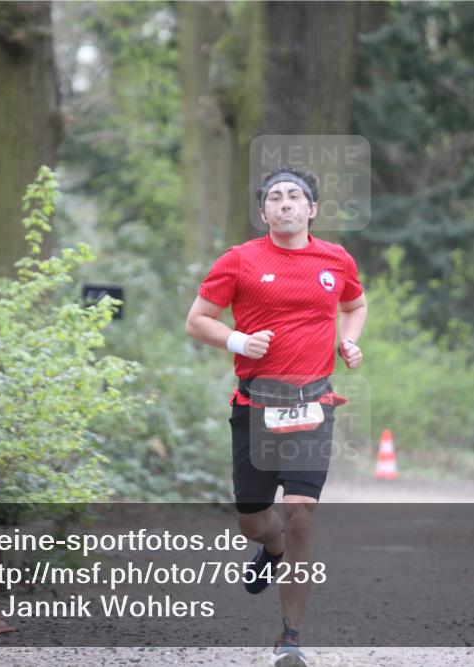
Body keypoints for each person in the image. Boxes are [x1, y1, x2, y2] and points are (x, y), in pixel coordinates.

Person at [185, 164, 367, 667]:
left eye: (295, 196)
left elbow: (355, 305)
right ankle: (272, 548)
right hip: (255, 405)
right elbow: (197, 321)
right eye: (275, 198)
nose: (285, 203)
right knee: (252, 519)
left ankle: (290, 638)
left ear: (312, 208)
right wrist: (238, 340)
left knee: (301, 513)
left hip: (314, 403)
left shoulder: (335, 259)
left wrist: (348, 341)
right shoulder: (239, 260)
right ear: (263, 212)